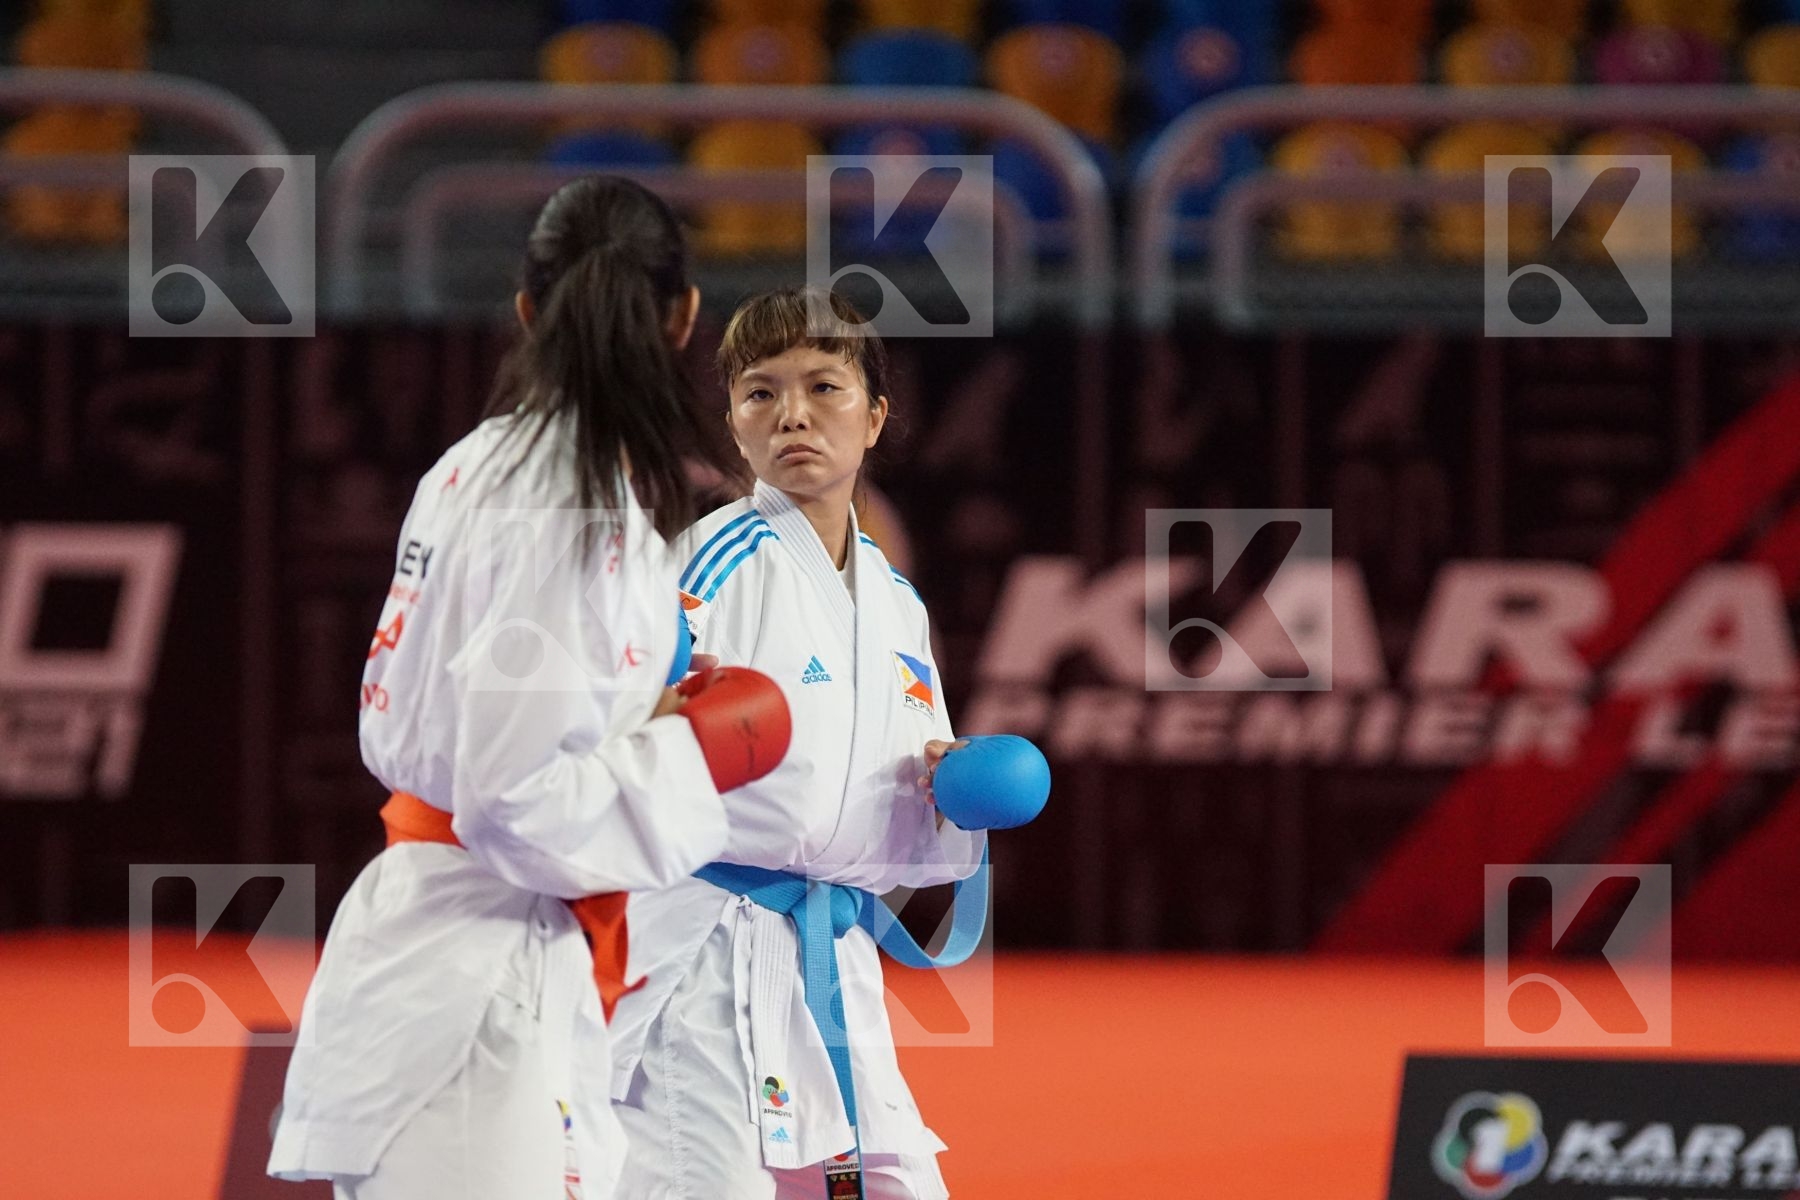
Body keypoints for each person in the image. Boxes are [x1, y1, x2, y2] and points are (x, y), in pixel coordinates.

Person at [268, 175, 791, 1200]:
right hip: (474, 988)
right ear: (685, 317)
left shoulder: (475, 466)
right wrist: (687, 751)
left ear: (524, 310)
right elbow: (512, 799)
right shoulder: (573, 507)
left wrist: (644, 716)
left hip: (471, 952)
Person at [611, 286, 987, 1200]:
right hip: (703, 949)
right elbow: (614, 728)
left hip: (829, 950)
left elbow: (904, 780)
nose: (793, 415)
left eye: (824, 387)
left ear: (875, 416)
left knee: (899, 1186)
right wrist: (662, 720)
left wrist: (946, 781)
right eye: (761, 393)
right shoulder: (708, 564)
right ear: (734, 428)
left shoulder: (896, 600)